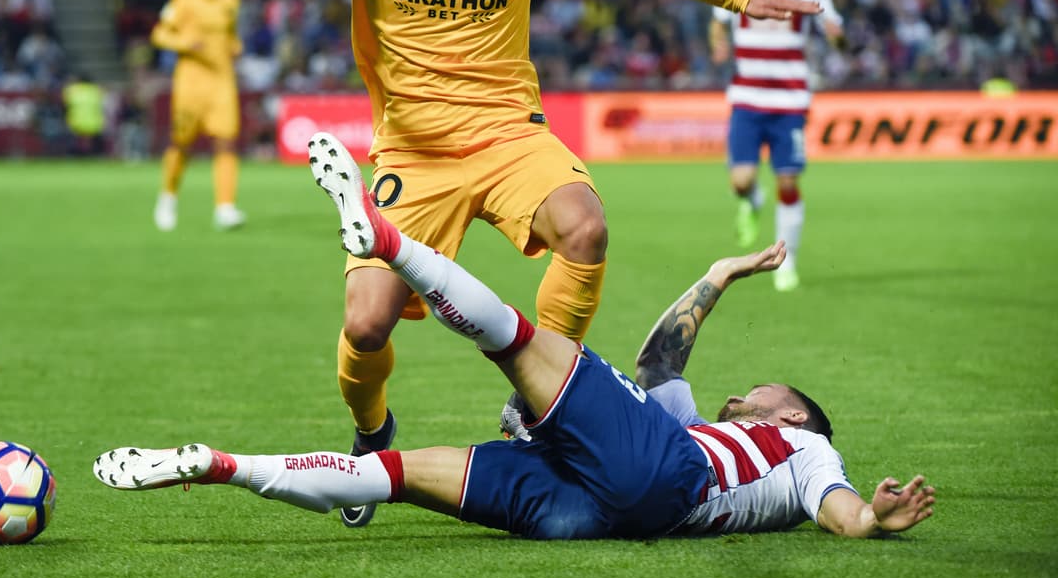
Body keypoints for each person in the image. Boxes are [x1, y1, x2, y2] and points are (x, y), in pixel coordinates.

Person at [251, 0, 823, 526]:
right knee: (365, 328)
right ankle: (371, 432)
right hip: (413, 153)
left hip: (506, 137)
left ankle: (543, 397)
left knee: (585, 228)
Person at [94, 131, 935, 540]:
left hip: (665, 478)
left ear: (794, 414)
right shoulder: (699, 427)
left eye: (769, 392)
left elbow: (838, 509)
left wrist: (872, 518)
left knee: (517, 342)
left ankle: (385, 239)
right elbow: (662, 361)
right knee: (392, 476)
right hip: (600, 509)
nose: (750, 390)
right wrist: (717, 276)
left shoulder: (806, 451)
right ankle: (220, 466)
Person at [709, 0, 843, 292]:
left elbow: (835, 32)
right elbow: (717, 19)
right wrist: (718, 42)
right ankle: (751, 201)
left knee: (788, 182)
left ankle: (787, 264)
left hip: (790, 101)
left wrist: (838, 37)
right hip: (747, 98)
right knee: (741, 180)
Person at [150, 0, 245, 232]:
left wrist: (234, 46)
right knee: (182, 143)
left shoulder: (230, 0)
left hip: (222, 82)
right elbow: (159, 34)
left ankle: (225, 207)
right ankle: (168, 197)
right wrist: (185, 43)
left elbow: (230, 36)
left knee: (226, 142)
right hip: (190, 83)